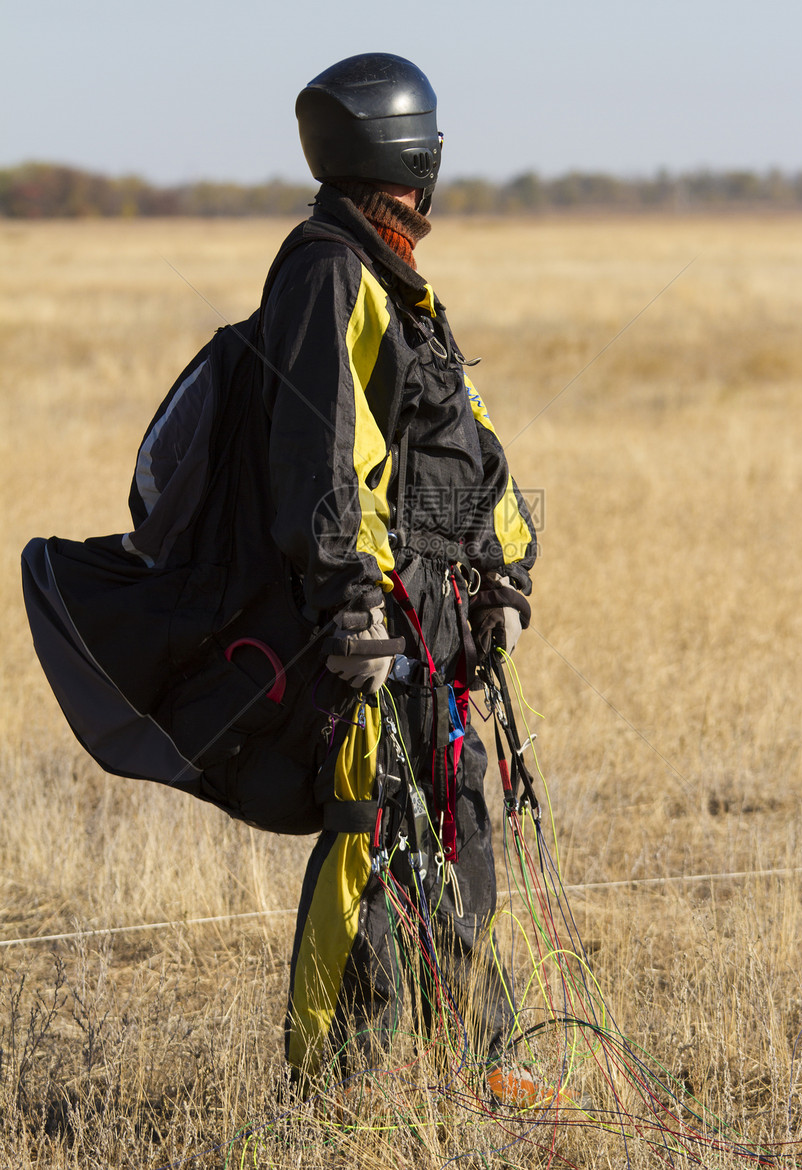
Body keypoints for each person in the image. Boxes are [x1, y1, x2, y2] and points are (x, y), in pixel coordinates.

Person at [261, 53, 538, 1087]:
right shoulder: (326, 271)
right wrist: (350, 611)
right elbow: (318, 457)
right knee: (367, 841)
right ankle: (341, 1096)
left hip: (442, 620)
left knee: (455, 830)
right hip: (381, 626)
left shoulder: (392, 275)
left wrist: (505, 567)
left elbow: (460, 437)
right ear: (414, 160)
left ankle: (483, 1066)